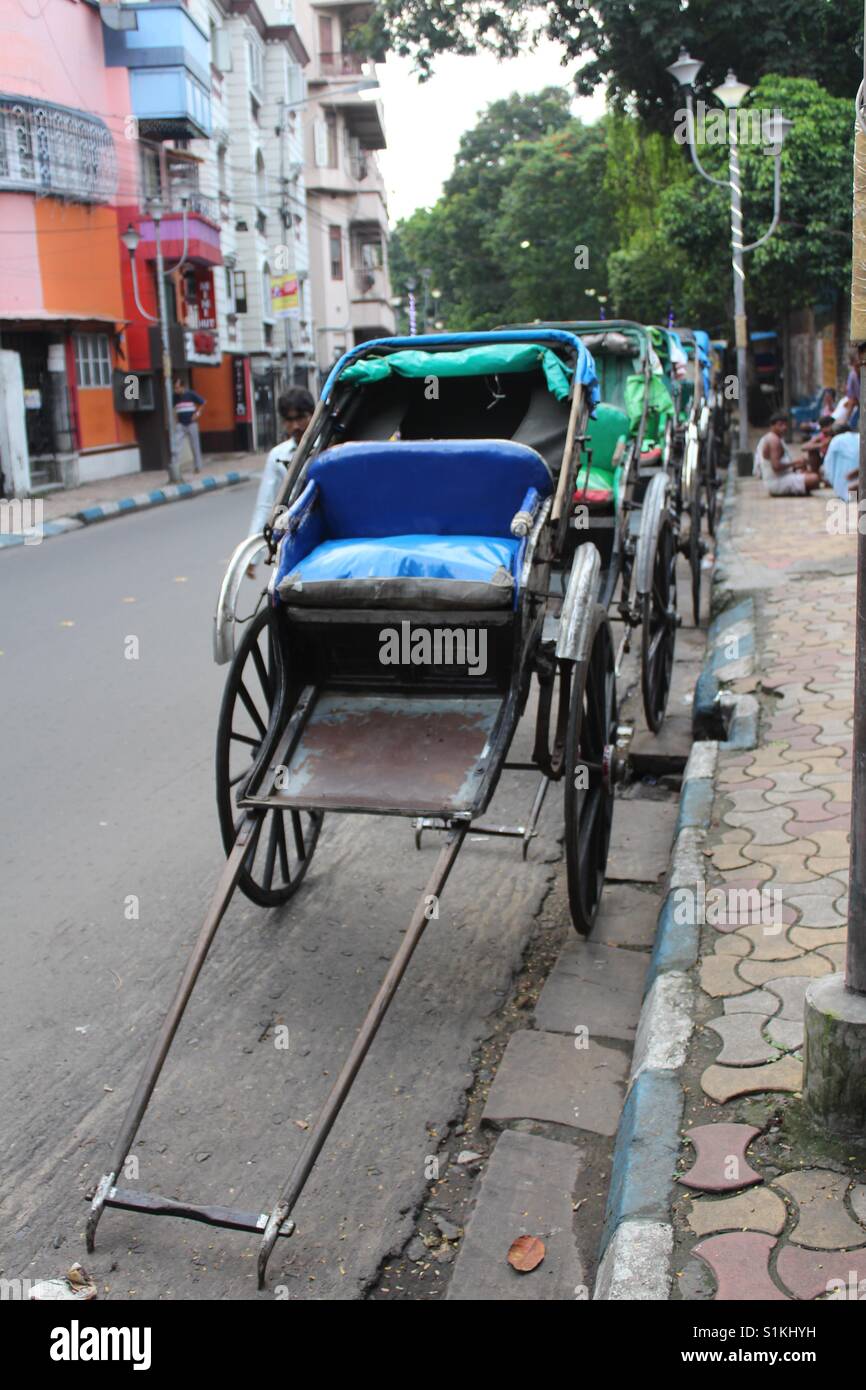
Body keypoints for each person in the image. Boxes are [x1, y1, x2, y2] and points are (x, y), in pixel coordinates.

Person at [246, 386, 315, 573]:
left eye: (301, 418)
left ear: (313, 415)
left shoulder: (332, 446)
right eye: (289, 421)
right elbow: (266, 503)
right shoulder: (278, 455)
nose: (295, 426)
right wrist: (253, 555)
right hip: (292, 536)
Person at [754, 411, 821, 496]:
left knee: (808, 471)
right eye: (780, 425)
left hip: (778, 478)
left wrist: (797, 466)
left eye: (785, 425)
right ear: (772, 426)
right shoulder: (774, 440)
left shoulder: (775, 438)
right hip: (776, 482)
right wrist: (795, 463)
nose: (784, 428)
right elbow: (776, 467)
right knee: (814, 479)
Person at [172, 378, 205, 474]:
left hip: (191, 424)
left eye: (178, 388)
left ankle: (198, 467)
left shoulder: (191, 394)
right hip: (180, 424)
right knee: (176, 446)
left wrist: (197, 414)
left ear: (183, 387)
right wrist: (176, 419)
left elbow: (203, 403)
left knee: (195, 446)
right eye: (175, 388)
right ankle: (175, 468)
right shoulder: (175, 397)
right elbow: (174, 408)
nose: (176, 390)